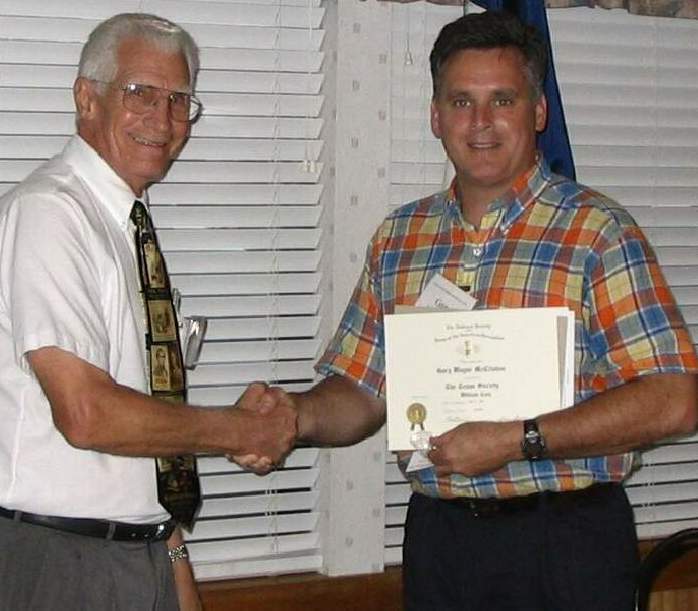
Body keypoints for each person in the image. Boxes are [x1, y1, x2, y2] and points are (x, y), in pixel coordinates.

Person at [237, 10, 698, 611]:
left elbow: (675, 398)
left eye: (502, 99)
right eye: (461, 102)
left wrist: (518, 440)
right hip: (441, 537)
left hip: (565, 540)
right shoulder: (399, 238)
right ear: (436, 116)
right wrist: (293, 416)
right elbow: (361, 391)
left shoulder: (598, 233)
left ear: (538, 112)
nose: (480, 122)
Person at [0, 13, 296, 611]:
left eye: (179, 100)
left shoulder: (125, 222)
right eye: (140, 93)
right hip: (62, 561)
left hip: (138, 551)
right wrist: (240, 430)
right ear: (87, 98)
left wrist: (174, 562)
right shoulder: (51, 213)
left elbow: (143, 425)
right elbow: (87, 414)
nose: (163, 119)